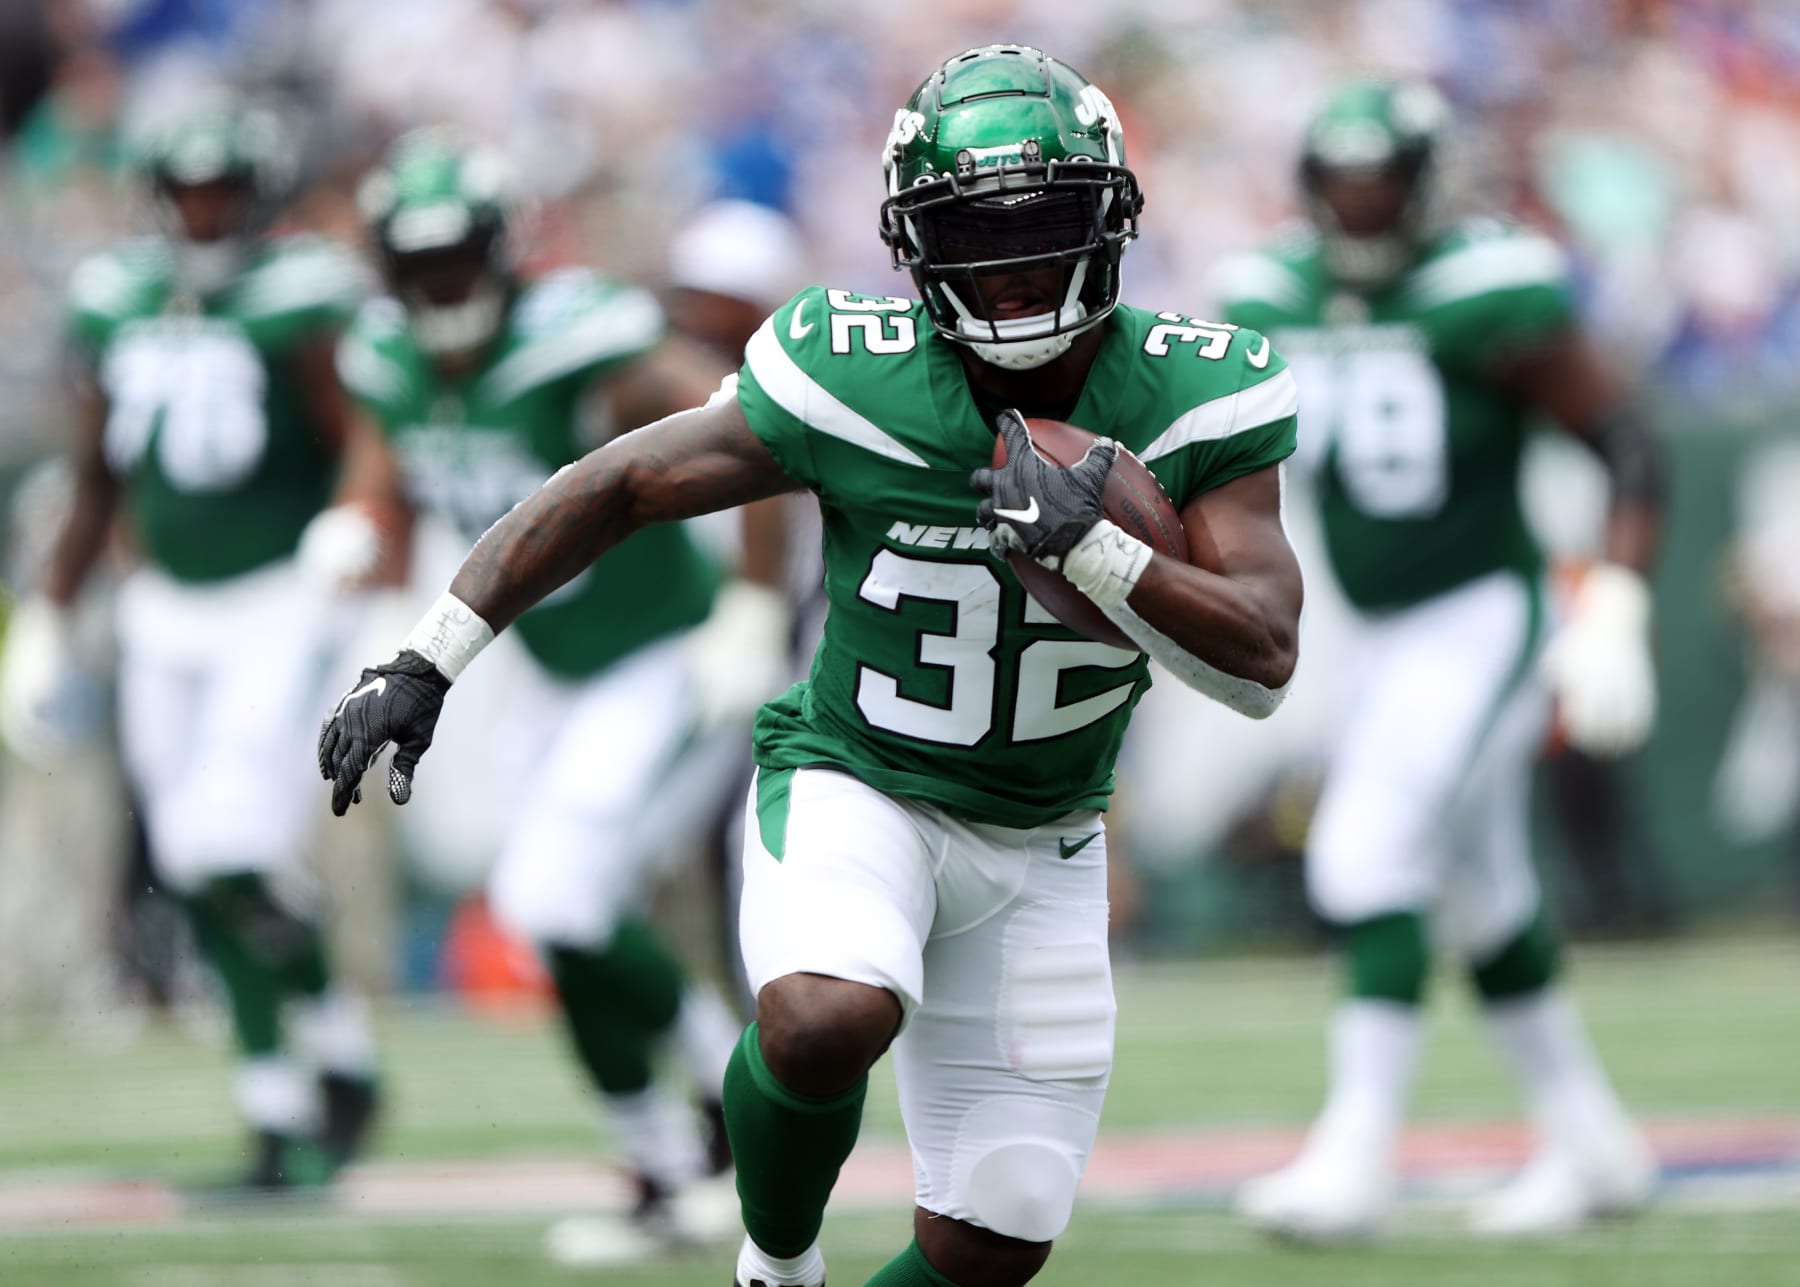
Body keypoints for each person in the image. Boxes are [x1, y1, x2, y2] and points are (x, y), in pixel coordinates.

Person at [320, 45, 1302, 1287]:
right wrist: (430, 657)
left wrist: (1097, 552)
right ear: (910, 244)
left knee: (995, 1237)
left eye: (1045, 228)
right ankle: (773, 1265)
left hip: (1047, 831)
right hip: (857, 777)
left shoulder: (1198, 390)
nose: (1009, 274)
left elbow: (1263, 659)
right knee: (825, 1013)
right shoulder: (854, 368)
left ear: (1110, 217)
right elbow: (623, 478)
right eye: (975, 239)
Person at [321, 130, 792, 1263]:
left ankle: (721, 1126)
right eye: (417, 263)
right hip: (549, 670)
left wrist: (757, 602)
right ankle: (670, 1158)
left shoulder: (578, 338)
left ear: (499, 251)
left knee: (560, 900)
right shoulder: (388, 355)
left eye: (456, 258)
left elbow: (753, 435)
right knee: (559, 911)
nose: (440, 285)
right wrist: (356, 527)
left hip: (664, 654)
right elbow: (390, 465)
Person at [1214, 79, 1664, 1240]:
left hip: (1481, 613)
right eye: (1341, 185)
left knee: (1365, 856)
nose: (1360, 209)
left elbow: (1624, 440)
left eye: (1382, 184)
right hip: (1370, 623)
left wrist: (1613, 605)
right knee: (1486, 893)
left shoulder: (1488, 289)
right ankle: (1593, 1145)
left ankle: (1355, 1157)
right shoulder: (1271, 288)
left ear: (1423, 183)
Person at [2, 104, 381, 1190]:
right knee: (199, 863)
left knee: (224, 848)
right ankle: (332, 1064)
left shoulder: (303, 294)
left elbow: (358, 431)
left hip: (275, 602)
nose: (204, 212)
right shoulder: (116, 297)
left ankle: (286, 1120)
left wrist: (351, 519)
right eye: (187, 192)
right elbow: (97, 471)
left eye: (223, 192)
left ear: (256, 194)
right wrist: (52, 607)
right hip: (163, 607)